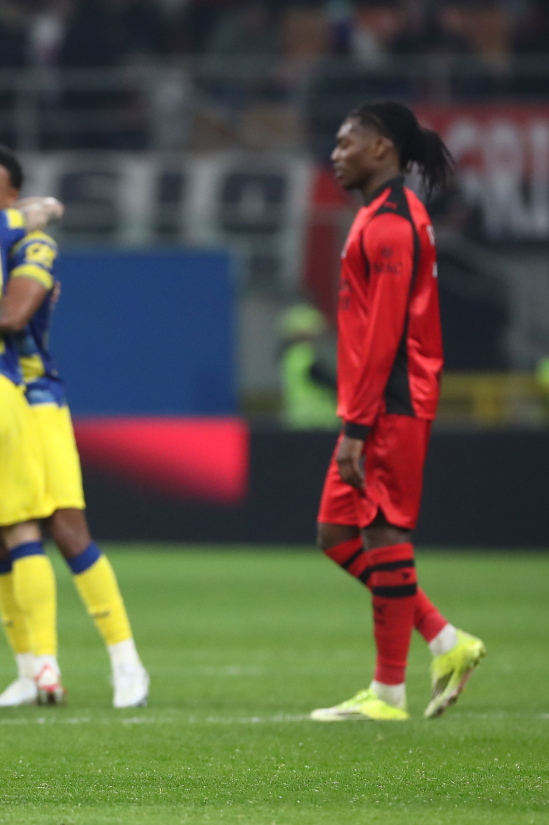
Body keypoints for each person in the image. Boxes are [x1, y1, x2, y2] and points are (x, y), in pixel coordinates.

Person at [0, 144, 150, 709]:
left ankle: (126, 661)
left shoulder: (30, 242)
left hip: (35, 397)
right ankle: (31, 670)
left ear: (12, 196)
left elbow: (11, 314)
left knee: (66, 530)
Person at [311, 101, 485, 722]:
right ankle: (443, 639)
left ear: (381, 148)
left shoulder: (391, 224)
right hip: (377, 400)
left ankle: (388, 692)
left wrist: (357, 428)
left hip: (392, 400)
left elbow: (385, 334)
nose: (335, 154)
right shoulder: (383, 213)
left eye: (345, 143)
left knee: (384, 531)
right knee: (336, 532)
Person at [279, 303, 340, 430]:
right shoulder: (304, 354)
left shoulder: (290, 355)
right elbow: (328, 381)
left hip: (299, 419)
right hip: (318, 420)